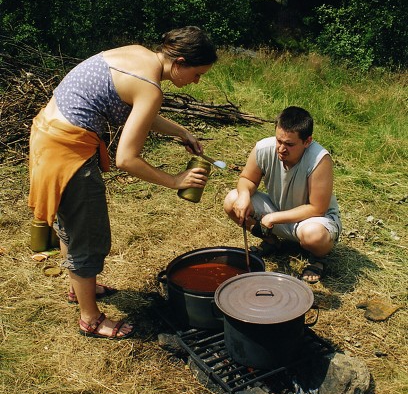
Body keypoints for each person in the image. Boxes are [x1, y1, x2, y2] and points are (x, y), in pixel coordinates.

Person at [28, 26, 217, 339]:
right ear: (180, 63)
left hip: (48, 134)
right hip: (67, 152)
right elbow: (126, 159)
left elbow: (140, 111)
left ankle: (79, 288)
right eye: (197, 74)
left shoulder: (139, 54)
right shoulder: (151, 87)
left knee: (70, 224)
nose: (197, 82)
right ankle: (90, 318)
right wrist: (175, 180)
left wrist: (180, 131)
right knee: (88, 235)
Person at [223, 106, 342, 283]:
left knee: (314, 236)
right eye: (279, 141)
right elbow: (247, 178)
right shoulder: (263, 148)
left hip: (313, 220)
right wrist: (244, 195)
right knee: (232, 200)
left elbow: (317, 208)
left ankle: (318, 258)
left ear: (307, 141)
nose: (281, 148)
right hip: (276, 209)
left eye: (289, 144)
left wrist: (273, 218)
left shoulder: (319, 159)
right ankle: (271, 241)